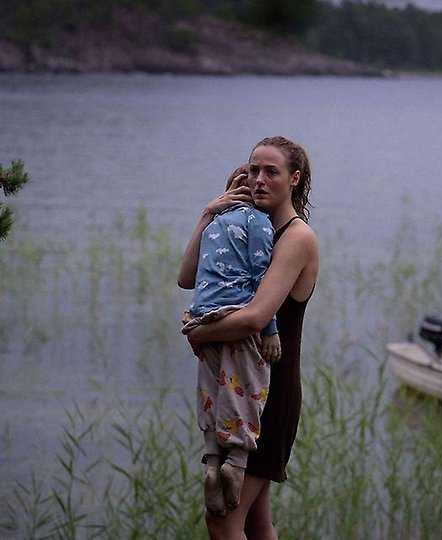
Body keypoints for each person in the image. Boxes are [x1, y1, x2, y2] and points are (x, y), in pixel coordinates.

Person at [178, 136, 319, 540]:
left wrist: (199, 331)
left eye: (270, 172)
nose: (259, 179)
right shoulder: (242, 227)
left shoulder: (296, 238)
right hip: (237, 387)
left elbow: (256, 317)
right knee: (257, 524)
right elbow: (187, 278)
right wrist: (209, 214)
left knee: (222, 521)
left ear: (294, 179)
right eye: (253, 169)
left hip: (268, 396)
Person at [179, 165, 282, 517]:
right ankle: (235, 463)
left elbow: (186, 279)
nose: (260, 182)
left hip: (202, 313)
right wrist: (270, 330)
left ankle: (211, 459)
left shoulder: (214, 225)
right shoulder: (260, 223)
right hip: (235, 317)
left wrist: (209, 212)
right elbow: (260, 279)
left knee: (212, 388)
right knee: (245, 389)